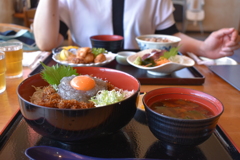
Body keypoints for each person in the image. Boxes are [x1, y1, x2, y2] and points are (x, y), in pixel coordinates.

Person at [33, 0, 240, 59]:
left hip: (145, 72)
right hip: (88, 73)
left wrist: (203, 47)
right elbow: (46, 43)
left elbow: (169, 37)